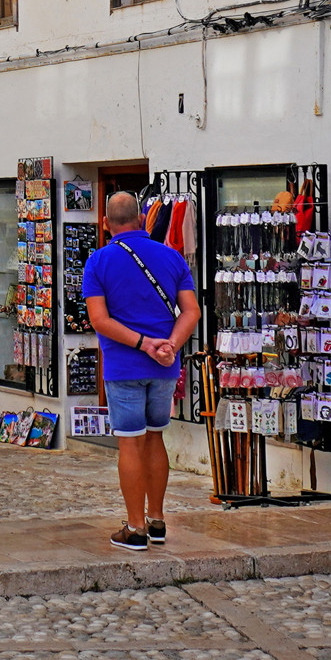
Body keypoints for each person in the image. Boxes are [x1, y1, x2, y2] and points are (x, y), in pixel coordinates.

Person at [84, 192, 200, 550]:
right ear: (141, 218)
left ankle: (135, 528)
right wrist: (169, 346)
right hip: (164, 366)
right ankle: (157, 520)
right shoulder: (171, 256)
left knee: (130, 442)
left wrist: (143, 343)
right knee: (155, 437)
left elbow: (99, 320)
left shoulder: (98, 261)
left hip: (123, 366)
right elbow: (191, 311)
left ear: (106, 223)